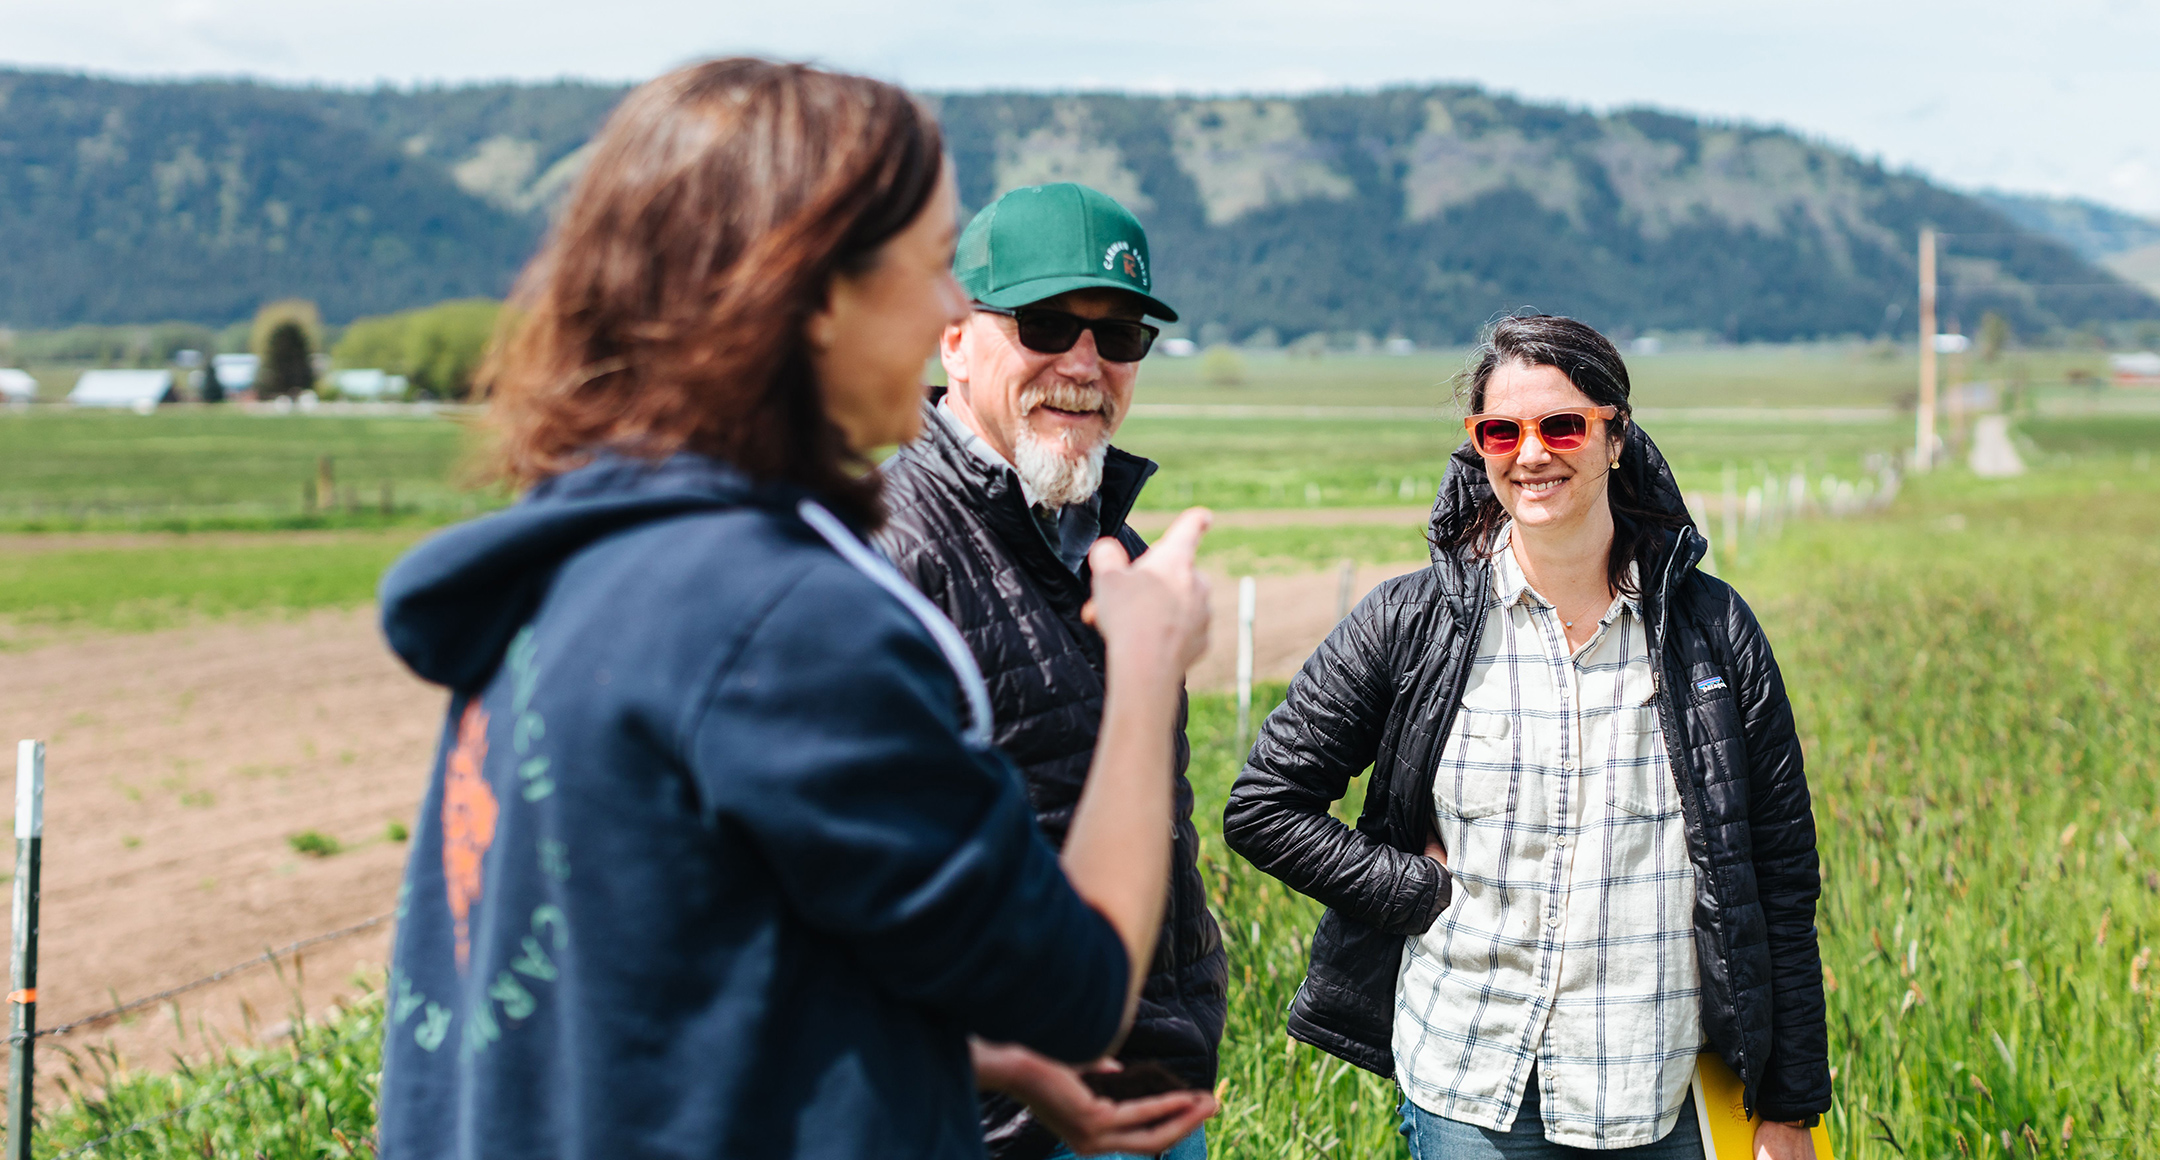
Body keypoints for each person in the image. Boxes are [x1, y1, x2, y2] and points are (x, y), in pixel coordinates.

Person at [373, 59, 1215, 1159]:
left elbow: (675, 975)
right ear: (810, 292)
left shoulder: (583, 562)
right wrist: (1145, 665)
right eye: (926, 268)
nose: (945, 307)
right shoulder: (784, 623)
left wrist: (962, 1059)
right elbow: (1077, 986)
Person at [1223, 315, 1829, 1158]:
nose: (1531, 452)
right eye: (1501, 431)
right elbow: (1263, 805)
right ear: (1478, 447)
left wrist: (1790, 1107)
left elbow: (1780, 878)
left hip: (1662, 1099)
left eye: (1563, 425)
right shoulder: (1415, 621)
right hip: (1473, 1093)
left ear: (1616, 436)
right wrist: (1409, 891)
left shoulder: (1713, 632)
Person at [875, 183, 1225, 1160]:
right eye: (1044, 323)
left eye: (1121, 336)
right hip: (989, 1121)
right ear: (954, 336)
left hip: (1146, 1090)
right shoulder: (892, 550)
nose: (1085, 363)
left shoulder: (1111, 538)